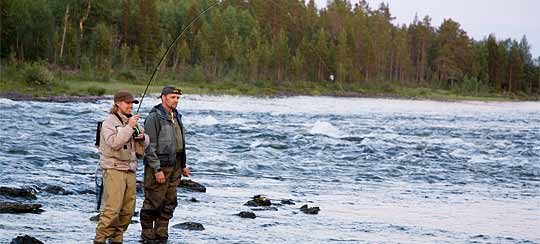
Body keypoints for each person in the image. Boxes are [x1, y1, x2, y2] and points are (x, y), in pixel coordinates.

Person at [94, 90, 149, 244]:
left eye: (132, 103)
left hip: (130, 170)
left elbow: (146, 142)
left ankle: (117, 239)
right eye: (127, 103)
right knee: (112, 210)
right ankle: (99, 239)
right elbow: (114, 143)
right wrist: (130, 127)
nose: (131, 106)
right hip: (113, 169)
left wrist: (142, 137)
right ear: (117, 103)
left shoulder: (131, 121)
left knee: (128, 211)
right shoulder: (108, 123)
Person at [140, 85, 190, 243]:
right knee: (153, 201)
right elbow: (149, 146)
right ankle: (147, 235)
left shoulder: (176, 115)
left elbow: (180, 143)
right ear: (163, 98)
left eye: (178, 98)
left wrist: (183, 165)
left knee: (169, 202)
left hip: (175, 166)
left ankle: (162, 233)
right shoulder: (154, 117)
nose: (176, 101)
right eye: (173, 98)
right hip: (159, 167)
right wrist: (156, 169)